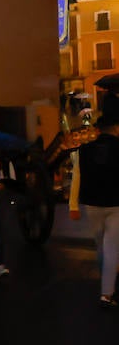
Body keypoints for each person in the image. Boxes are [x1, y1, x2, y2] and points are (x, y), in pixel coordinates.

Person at [69, 113, 119, 308]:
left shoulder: (84, 150)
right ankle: (107, 293)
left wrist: (73, 205)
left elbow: (77, 178)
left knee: (101, 246)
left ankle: (106, 280)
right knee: (111, 247)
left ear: (98, 130)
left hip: (92, 204)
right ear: (115, 129)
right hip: (115, 205)